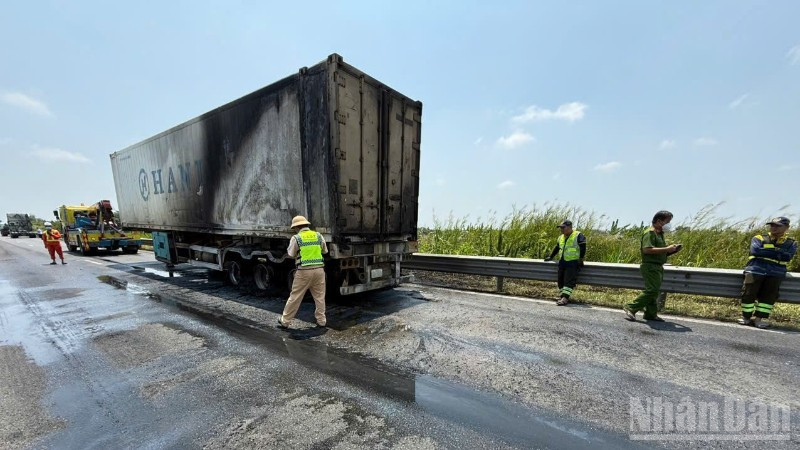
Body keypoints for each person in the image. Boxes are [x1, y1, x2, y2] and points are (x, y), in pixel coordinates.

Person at [738, 217, 797, 329]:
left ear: (787, 227)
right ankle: (746, 317)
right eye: (772, 225)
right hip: (755, 269)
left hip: (776, 273)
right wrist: (778, 252)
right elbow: (756, 251)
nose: (773, 227)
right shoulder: (759, 238)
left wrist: (767, 251)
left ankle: (759, 319)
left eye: (777, 226)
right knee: (748, 293)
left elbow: (788, 257)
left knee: (768, 297)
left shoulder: (791, 243)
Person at [623, 210, 681, 322]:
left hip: (658, 266)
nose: (669, 225)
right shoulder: (650, 233)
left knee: (654, 290)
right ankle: (631, 306)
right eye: (668, 221)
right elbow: (647, 250)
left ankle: (650, 314)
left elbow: (660, 251)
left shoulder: (660, 234)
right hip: (650, 266)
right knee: (652, 290)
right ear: (659, 221)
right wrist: (667, 248)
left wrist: (672, 250)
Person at [277, 215, 328, 329]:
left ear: (296, 227)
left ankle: (285, 321)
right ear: (306, 225)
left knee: (295, 296)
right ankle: (321, 321)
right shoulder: (318, 235)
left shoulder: (296, 238)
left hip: (304, 271)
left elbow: (290, 254)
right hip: (319, 270)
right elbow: (325, 250)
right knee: (319, 297)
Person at [544, 220, 586, 305]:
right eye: (560, 228)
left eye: (563, 227)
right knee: (560, 280)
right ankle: (562, 296)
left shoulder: (578, 235)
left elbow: (583, 247)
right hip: (562, 262)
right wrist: (551, 257)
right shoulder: (561, 237)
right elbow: (557, 247)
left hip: (573, 262)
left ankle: (565, 298)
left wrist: (581, 259)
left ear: (570, 227)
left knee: (568, 281)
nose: (561, 230)